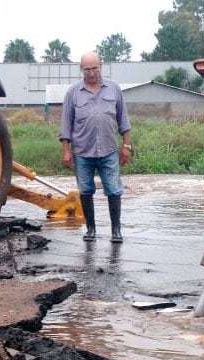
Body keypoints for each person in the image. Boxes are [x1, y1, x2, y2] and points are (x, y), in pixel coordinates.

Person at [59, 52, 132, 243]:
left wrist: (127, 145)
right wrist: (66, 151)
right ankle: (90, 229)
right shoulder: (73, 93)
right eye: (87, 69)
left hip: (108, 150)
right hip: (82, 152)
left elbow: (123, 120)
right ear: (81, 70)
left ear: (101, 66)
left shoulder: (114, 89)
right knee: (85, 189)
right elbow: (66, 124)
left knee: (114, 190)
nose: (91, 73)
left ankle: (116, 230)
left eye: (94, 68)